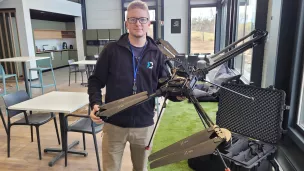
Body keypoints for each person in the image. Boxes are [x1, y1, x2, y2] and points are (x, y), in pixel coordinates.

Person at [88, 1, 180, 170]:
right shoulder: (111, 50)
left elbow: (165, 85)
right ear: (126, 24)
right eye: (133, 19)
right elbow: (95, 80)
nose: (138, 23)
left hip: (144, 125)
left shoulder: (158, 53)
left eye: (143, 19)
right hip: (113, 123)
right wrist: (95, 103)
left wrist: (179, 94)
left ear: (149, 24)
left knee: (141, 169)